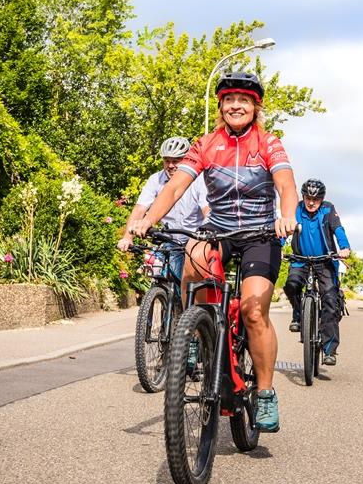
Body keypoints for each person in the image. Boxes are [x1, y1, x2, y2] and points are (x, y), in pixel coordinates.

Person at [129, 71, 298, 432]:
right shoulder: (205, 144)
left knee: (254, 312)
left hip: (260, 233)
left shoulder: (270, 143)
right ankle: (195, 331)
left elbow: (286, 186)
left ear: (255, 107)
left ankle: (265, 393)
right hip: (219, 229)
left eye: (245, 100)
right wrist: (146, 219)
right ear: (221, 106)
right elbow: (174, 188)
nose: (236, 105)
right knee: (192, 253)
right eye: (230, 100)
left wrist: (287, 217)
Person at [116, 136, 209, 287]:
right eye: (167, 160)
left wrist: (207, 233)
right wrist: (128, 237)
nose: (171, 165)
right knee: (158, 274)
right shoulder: (155, 180)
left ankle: (193, 308)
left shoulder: (199, 180)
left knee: (192, 282)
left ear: (186, 160)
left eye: (176, 161)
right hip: (169, 238)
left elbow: (207, 210)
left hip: (193, 238)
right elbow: (139, 209)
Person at [283, 178, 351, 365]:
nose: (311, 202)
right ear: (303, 197)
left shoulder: (328, 209)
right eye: (308, 198)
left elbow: (338, 229)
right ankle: (298, 313)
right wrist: (278, 246)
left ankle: (329, 349)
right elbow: (285, 230)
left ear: (322, 199)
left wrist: (344, 247)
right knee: (291, 285)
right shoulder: (296, 209)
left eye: (316, 199)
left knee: (330, 299)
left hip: (326, 261)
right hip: (300, 260)